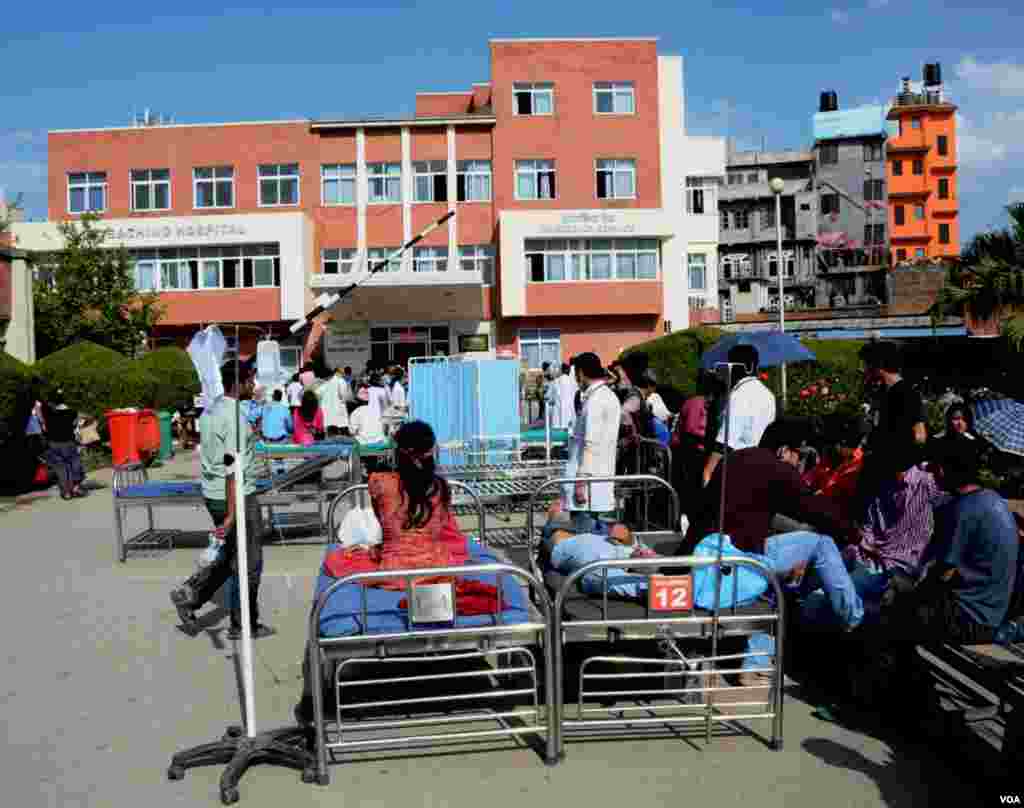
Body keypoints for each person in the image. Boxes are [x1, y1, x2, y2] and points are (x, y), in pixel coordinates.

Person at [685, 418, 864, 689]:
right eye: (797, 454)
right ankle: (855, 620)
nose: (798, 462)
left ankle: (755, 663)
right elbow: (813, 509)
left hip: (711, 553)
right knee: (821, 544)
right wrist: (854, 534)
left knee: (790, 562)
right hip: (740, 560)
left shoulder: (733, 459)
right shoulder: (778, 470)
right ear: (783, 450)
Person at [170, 360, 274, 640]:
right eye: (250, 380)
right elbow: (232, 468)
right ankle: (243, 625)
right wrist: (231, 514)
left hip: (214, 493)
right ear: (237, 383)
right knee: (249, 563)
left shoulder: (211, 410)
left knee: (230, 556)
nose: (253, 385)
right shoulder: (235, 416)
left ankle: (190, 595)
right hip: (236, 495)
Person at [856, 341, 928, 512]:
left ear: (879, 366)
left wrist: (899, 464)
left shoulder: (906, 394)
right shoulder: (884, 394)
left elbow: (920, 435)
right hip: (881, 473)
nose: (864, 370)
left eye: (867, 365)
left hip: (896, 478)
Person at [563, 352, 621, 534]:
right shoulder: (607, 396)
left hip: (587, 485)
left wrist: (580, 482)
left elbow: (591, 443)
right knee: (598, 535)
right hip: (598, 479)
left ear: (580, 373)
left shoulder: (595, 400)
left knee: (585, 536)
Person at [541, 504, 655, 598]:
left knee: (561, 509)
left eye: (646, 556)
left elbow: (633, 585)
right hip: (591, 532)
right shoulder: (633, 548)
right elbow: (620, 531)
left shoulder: (605, 570)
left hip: (557, 539)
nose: (646, 552)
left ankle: (555, 517)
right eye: (649, 552)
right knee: (572, 506)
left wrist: (654, 588)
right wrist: (628, 539)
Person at [702, 345, 776, 486]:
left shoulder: (739, 395)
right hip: (762, 465)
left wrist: (708, 471)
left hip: (738, 468)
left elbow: (725, 442)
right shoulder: (769, 395)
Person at [671, 382, 710, 518]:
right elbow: (690, 429)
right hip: (689, 451)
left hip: (696, 450)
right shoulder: (697, 403)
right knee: (689, 488)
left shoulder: (705, 403)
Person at [42, 391, 86, 500]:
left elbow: (42, 405)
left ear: (52, 402)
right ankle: (76, 487)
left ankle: (66, 492)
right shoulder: (71, 412)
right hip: (69, 442)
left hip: (53, 444)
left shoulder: (48, 413)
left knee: (60, 467)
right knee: (74, 462)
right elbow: (83, 418)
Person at [319, 367, 351, 437]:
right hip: (339, 407)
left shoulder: (326, 382)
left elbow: (318, 393)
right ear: (337, 372)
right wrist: (344, 400)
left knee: (331, 428)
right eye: (341, 372)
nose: (343, 374)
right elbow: (343, 395)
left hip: (328, 410)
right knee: (342, 427)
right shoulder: (341, 381)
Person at [555, 361, 577, 430]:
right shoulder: (570, 379)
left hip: (562, 402)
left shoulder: (558, 380)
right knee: (569, 419)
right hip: (569, 401)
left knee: (562, 418)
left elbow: (557, 392)